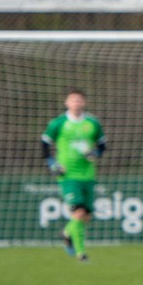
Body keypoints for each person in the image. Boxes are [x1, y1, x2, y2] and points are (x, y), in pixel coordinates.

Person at [40, 88, 106, 263]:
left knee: (86, 216)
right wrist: (52, 162)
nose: (76, 103)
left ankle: (67, 232)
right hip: (67, 174)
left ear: (84, 103)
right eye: (73, 100)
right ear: (67, 103)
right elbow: (45, 143)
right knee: (79, 212)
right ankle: (81, 253)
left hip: (88, 174)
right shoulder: (58, 123)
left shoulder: (92, 123)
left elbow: (102, 145)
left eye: (79, 100)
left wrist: (95, 153)